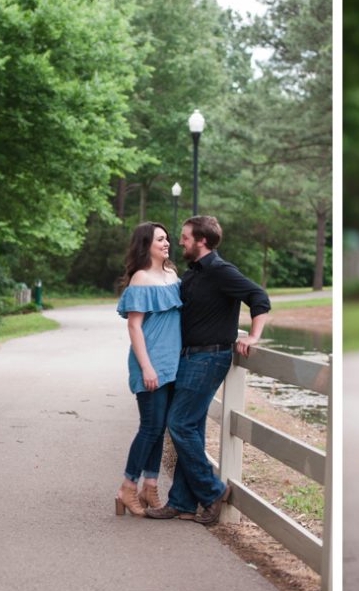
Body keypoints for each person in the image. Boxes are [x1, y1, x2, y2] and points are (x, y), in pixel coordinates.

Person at [145, 215, 270, 524]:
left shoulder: (220, 271)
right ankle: (183, 503)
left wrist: (253, 336)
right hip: (186, 358)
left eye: (185, 237)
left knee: (179, 424)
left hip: (208, 358)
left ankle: (213, 490)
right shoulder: (192, 274)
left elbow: (259, 297)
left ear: (201, 241)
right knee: (192, 428)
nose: (180, 242)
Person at [113, 222, 183, 517]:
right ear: (146, 245)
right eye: (159, 240)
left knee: (160, 428)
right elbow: (134, 326)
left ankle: (150, 487)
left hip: (172, 362)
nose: (166, 243)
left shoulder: (172, 274)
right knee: (150, 427)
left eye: (167, 239)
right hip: (150, 363)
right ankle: (127, 488)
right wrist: (147, 367)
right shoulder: (140, 279)